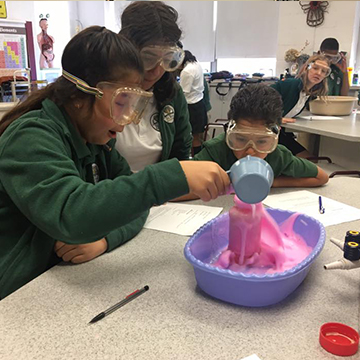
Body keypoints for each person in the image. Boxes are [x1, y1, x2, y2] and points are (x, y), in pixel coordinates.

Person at [0, 26, 229, 299]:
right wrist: (167, 176)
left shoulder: (98, 144)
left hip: (63, 280)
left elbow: (133, 204)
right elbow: (71, 214)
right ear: (78, 97)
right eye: (121, 103)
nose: (127, 120)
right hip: (17, 294)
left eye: (134, 104)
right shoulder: (30, 137)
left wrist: (106, 239)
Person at [190, 84, 328, 199]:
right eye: (241, 139)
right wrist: (225, 185)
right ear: (229, 131)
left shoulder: (278, 156)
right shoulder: (216, 151)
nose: (250, 150)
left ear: (275, 136)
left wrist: (269, 181)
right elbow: (175, 189)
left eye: (261, 141)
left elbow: (321, 177)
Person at [116, 1, 193, 172]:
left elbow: (181, 152)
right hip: (112, 192)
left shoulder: (172, 94)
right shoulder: (106, 93)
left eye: (167, 58)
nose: (157, 70)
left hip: (160, 194)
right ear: (126, 49)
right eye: (148, 57)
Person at [271, 54, 331, 158]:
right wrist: (275, 118)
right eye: (315, 68)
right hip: (267, 132)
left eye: (323, 71)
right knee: (308, 160)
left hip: (281, 134)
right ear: (306, 68)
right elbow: (257, 99)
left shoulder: (308, 94)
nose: (318, 73)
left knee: (310, 159)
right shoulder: (291, 84)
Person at [179, 50, 208, 155]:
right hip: (199, 103)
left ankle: (195, 159)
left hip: (191, 106)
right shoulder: (196, 65)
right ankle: (198, 157)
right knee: (197, 137)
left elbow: (182, 92)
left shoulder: (187, 71)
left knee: (191, 137)